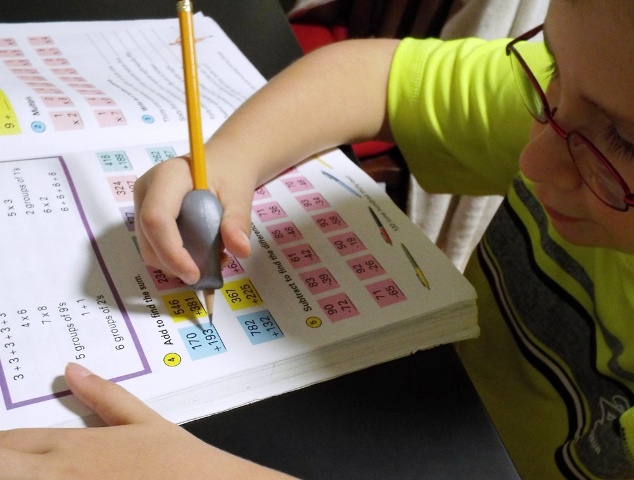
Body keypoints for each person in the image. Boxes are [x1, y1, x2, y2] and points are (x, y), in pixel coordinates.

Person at [1, 0, 633, 478]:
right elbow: (373, 77)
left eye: (624, 142)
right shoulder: (599, 79)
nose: (535, 160)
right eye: (548, 65)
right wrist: (226, 162)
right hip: (442, 410)